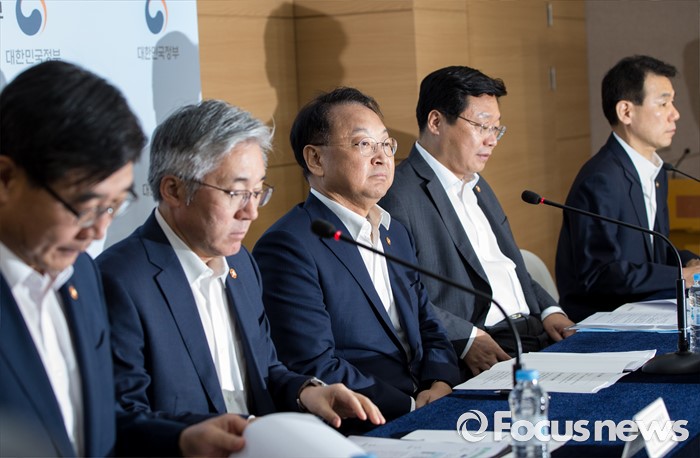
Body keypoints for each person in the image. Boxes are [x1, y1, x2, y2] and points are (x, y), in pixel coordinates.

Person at [0, 61, 248, 457]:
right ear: (6, 179)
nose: (98, 231)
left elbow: (99, 421)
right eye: (86, 206)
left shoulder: (80, 274)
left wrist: (180, 440)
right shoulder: (111, 274)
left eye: (114, 206)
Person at [96, 100, 384, 434]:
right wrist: (236, 430)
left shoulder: (240, 263)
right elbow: (125, 418)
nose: (251, 212)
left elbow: (266, 371)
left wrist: (307, 392)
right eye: (235, 193)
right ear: (174, 190)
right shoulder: (119, 280)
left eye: (257, 191)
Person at [252, 87, 460, 428]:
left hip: (429, 402)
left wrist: (440, 381)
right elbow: (314, 365)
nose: (382, 157)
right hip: (365, 421)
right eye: (364, 144)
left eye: (386, 144)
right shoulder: (289, 246)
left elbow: (428, 323)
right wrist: (411, 406)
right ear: (315, 159)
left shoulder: (394, 232)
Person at [379, 66, 574, 378]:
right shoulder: (397, 194)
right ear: (436, 122)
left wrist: (551, 310)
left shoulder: (477, 184)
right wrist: (466, 339)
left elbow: (510, 267)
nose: (492, 140)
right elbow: (396, 291)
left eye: (497, 129)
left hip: (536, 332)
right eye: (482, 126)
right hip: (484, 347)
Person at [555, 55, 700, 321]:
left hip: (645, 309)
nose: (675, 114)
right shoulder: (600, 180)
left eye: (673, 102)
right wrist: (682, 275)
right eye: (664, 103)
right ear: (626, 112)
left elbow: (655, 254)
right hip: (605, 319)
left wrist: (690, 262)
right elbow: (600, 275)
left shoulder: (656, 172)